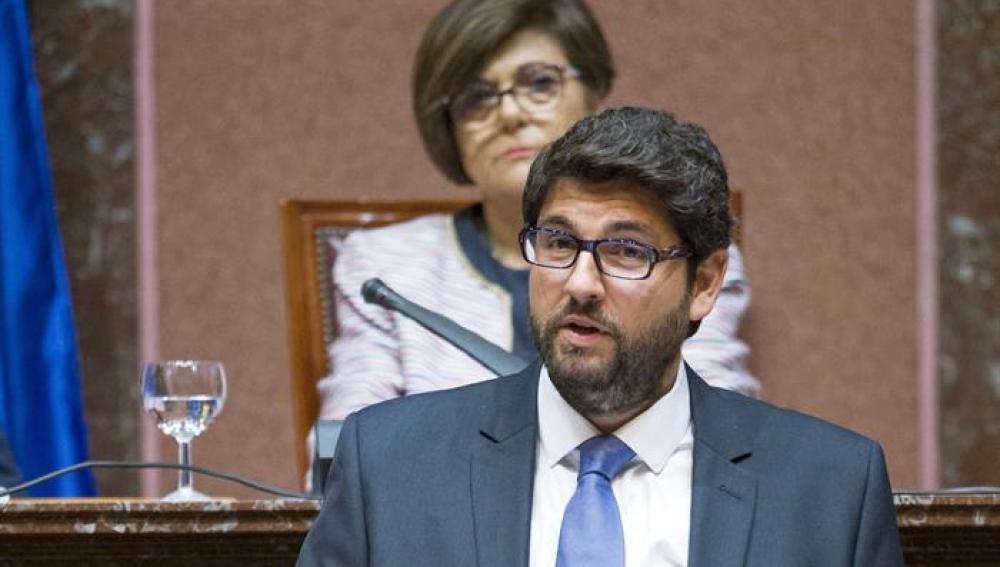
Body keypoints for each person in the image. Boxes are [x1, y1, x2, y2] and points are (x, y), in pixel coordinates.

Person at [296, 107, 905, 566]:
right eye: (558, 243)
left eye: (626, 251)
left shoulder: (830, 488)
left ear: (704, 283)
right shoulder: (391, 463)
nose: (581, 283)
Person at [315, 0, 757, 427]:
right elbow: (349, 446)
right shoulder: (382, 266)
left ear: (593, 95)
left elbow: (718, 426)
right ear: (448, 126)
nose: (510, 113)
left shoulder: (681, 253)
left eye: (540, 84)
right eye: (477, 97)